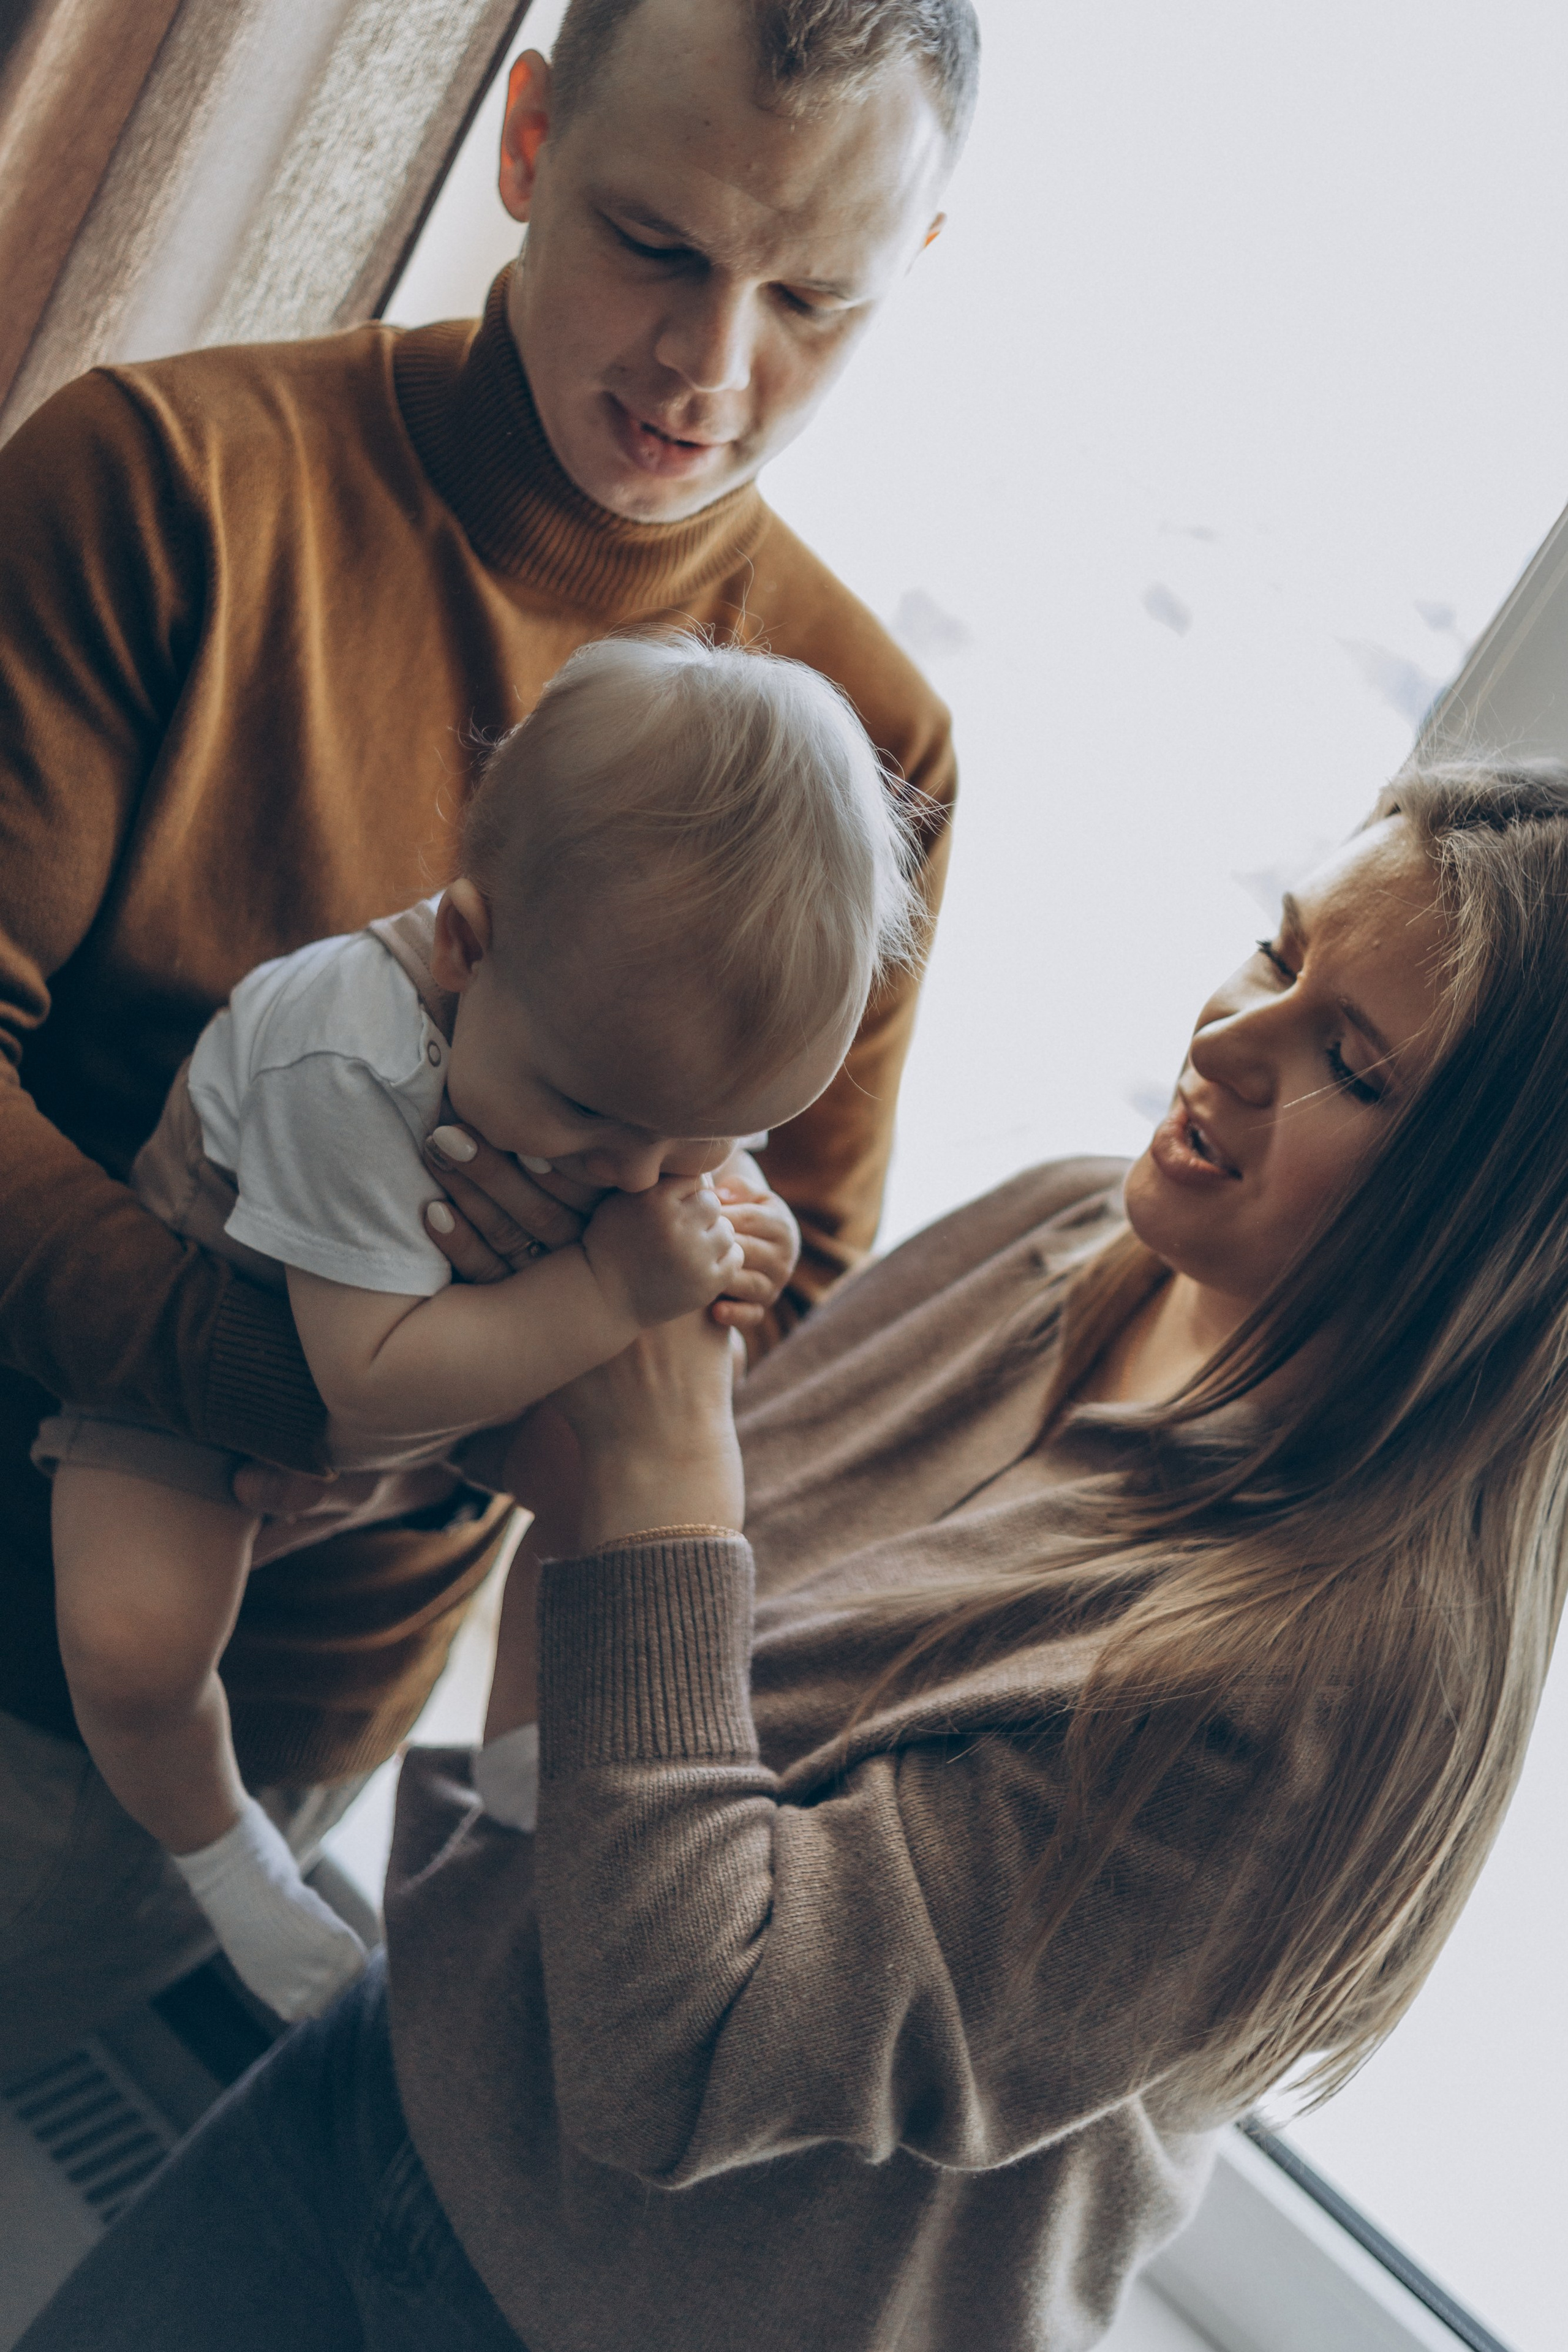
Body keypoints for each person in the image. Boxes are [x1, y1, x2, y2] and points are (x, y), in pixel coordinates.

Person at [22, 760, 1566, 2351]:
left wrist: (660, 1450)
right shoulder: (1070, 1234)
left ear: (1499, 1227)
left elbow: (677, 2057)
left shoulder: (1327, 1692)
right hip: (412, 2066)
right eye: (1278, 954)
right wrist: (434, 1436)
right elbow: (685, 1618)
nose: (1229, 1045)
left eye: (1354, 1068)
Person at [0, 0, 978, 2062]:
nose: (712, 369)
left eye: (812, 296)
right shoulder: (161, 483)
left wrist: (459, 1410)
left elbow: (768, 1326)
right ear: (524, 141)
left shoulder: (867, 744)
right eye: (658, 243)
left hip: (257, 1726)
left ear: (920, 276)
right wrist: (272, 1371)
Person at [34, 632, 917, 2021]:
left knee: (611, 1489)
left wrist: (754, 1234)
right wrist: (614, 1291)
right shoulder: (348, 1054)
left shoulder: (629, 1069)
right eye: (590, 1118)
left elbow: (724, 1203)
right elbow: (362, 1390)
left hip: (462, 1344)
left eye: (713, 1134)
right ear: (462, 944)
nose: (638, 1174)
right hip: (222, 1337)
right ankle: (220, 1850)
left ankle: (524, 1762)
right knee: (133, 1640)